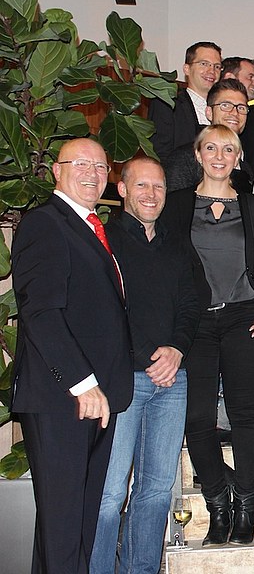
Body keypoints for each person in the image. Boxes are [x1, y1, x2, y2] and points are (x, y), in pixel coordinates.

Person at [11, 138, 132, 573]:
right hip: (64, 397)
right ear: (56, 171)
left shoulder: (91, 228)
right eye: (81, 164)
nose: (93, 173)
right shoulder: (45, 224)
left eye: (100, 167)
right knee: (64, 526)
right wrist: (83, 384)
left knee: (75, 525)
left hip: (95, 398)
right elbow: (40, 313)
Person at [160, 124, 254, 546]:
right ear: (198, 154)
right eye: (211, 148)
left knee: (243, 415)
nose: (219, 156)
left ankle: (247, 507)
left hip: (245, 317)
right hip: (196, 322)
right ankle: (217, 503)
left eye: (228, 149)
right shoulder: (176, 205)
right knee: (198, 419)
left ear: (238, 157)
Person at [90, 157, 200, 573]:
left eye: (158, 187)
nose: (151, 195)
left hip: (172, 379)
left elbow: (191, 303)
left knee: (156, 491)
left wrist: (177, 349)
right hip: (122, 380)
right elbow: (102, 312)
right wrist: (147, 355)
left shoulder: (176, 241)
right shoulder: (104, 241)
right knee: (109, 493)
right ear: (122, 190)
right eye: (141, 186)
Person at [163, 78, 253, 193]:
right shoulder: (184, 159)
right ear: (209, 113)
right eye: (225, 105)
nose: (235, 113)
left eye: (241, 108)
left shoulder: (246, 167)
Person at [148, 41, 222, 161]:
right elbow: (160, 154)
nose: (211, 71)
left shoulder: (225, 108)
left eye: (217, 66)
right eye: (204, 64)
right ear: (187, 69)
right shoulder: (167, 104)